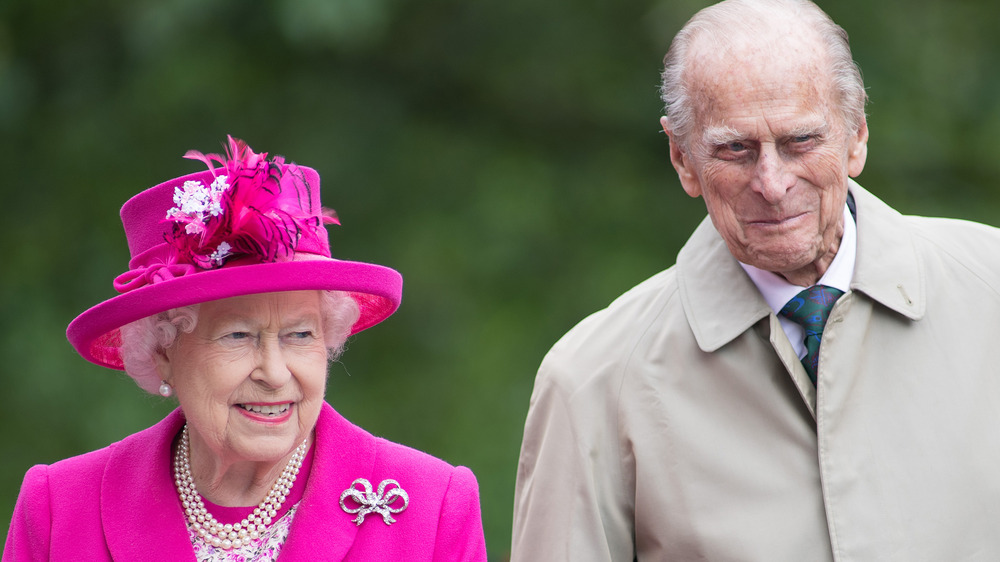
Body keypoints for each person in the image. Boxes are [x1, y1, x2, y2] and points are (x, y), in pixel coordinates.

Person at [511, 0, 1000, 560]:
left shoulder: (992, 292)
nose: (771, 183)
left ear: (857, 135)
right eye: (735, 149)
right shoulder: (593, 381)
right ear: (682, 158)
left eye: (800, 141)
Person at [4, 136, 487, 561]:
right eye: (238, 336)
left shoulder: (433, 507)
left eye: (300, 335)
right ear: (162, 350)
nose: (275, 373)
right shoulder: (60, 508)